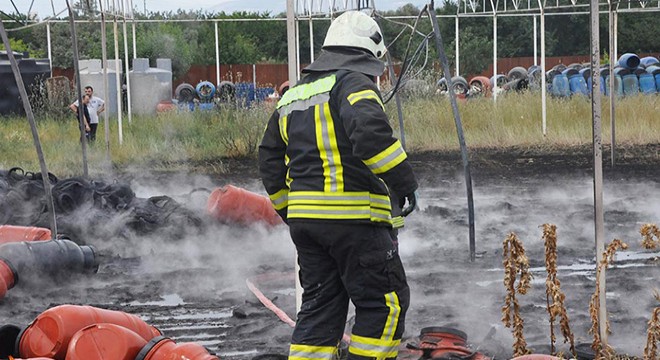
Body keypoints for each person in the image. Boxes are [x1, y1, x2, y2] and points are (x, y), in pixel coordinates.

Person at [258, 11, 418, 360]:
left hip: (307, 229)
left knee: (319, 310)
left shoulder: (291, 97)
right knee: (384, 306)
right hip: (355, 222)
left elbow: (269, 159)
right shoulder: (354, 83)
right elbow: (371, 134)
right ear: (369, 53)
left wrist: (290, 210)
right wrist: (404, 183)